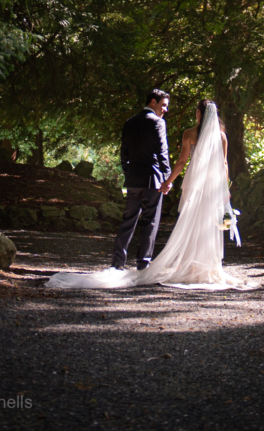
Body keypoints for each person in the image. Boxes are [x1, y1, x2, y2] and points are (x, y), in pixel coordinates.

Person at [45, 98, 253, 291]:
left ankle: (190, 267)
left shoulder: (190, 133)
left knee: (191, 221)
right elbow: (223, 164)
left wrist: (167, 182)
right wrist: (225, 189)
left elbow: (181, 163)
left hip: (195, 184)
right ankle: (207, 267)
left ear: (199, 114)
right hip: (214, 186)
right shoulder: (222, 136)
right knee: (208, 224)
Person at [111, 87, 171, 271]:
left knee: (128, 220)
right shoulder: (158, 123)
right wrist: (167, 177)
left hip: (133, 180)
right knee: (150, 221)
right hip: (153, 179)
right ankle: (143, 263)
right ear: (152, 102)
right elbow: (162, 152)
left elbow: (124, 153)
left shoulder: (129, 122)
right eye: (163, 105)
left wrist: (129, 174)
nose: (165, 110)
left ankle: (117, 263)